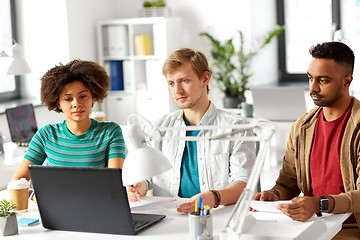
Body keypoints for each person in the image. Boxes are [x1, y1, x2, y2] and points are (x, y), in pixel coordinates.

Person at [127, 48, 256, 213]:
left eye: (184, 81)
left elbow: (243, 183)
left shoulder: (236, 128)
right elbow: (151, 179)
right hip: (171, 217)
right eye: (171, 83)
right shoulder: (159, 129)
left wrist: (213, 197)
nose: (177, 91)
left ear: (205, 79)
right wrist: (141, 186)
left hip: (216, 216)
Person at [254, 41, 360, 238]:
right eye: (310, 78)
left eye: (323, 80)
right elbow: (288, 183)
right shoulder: (302, 127)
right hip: (311, 225)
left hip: (351, 229)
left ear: (347, 81)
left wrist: (321, 203)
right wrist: (275, 194)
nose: (313, 87)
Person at [12, 59, 126, 183]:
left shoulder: (110, 132)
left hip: (96, 202)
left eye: (83, 96)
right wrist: (32, 194)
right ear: (58, 103)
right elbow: (17, 180)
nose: (76, 104)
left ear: (92, 97)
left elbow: (116, 181)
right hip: (54, 202)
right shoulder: (45, 135)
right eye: (68, 99)